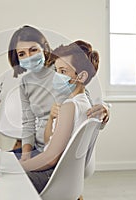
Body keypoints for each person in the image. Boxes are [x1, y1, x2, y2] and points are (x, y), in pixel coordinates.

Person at [7, 25, 109, 161]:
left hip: (59, 151)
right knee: (0, 164)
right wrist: (25, 155)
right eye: (22, 54)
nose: (29, 57)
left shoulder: (61, 71)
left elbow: (86, 105)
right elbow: (28, 123)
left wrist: (104, 111)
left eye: (33, 50)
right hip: (38, 148)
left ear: (44, 48)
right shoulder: (25, 83)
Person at [20, 41, 99, 194]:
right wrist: (51, 118)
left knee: (8, 179)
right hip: (65, 175)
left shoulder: (69, 107)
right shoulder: (83, 103)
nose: (57, 76)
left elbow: (50, 158)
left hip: (52, 175)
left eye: (63, 71)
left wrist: (18, 166)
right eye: (56, 70)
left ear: (81, 76)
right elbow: (50, 140)